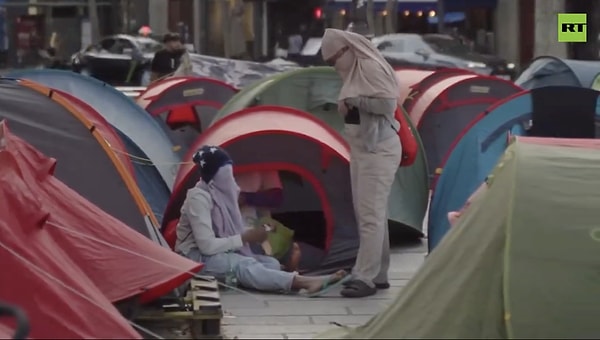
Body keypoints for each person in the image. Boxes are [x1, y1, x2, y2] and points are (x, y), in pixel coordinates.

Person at [175, 145, 349, 296]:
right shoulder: (198, 198)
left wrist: (262, 230)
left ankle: (275, 280)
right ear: (214, 175)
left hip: (219, 254)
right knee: (245, 265)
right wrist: (244, 238)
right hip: (194, 258)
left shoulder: (224, 195)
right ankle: (303, 282)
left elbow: (233, 230)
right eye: (225, 173)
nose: (230, 179)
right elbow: (207, 246)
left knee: (270, 263)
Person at [321, 28, 402, 298]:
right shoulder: (355, 69)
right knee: (371, 214)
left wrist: (355, 100)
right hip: (364, 149)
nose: (334, 67)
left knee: (370, 215)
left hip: (378, 149)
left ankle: (364, 277)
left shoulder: (368, 65)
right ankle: (378, 273)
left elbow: (388, 103)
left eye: (333, 61)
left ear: (346, 51)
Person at [236, 170, 302, 272]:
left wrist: (245, 198)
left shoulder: (262, 158)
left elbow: (276, 198)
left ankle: (283, 262)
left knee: (274, 240)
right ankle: (278, 268)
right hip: (228, 228)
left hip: (255, 223)